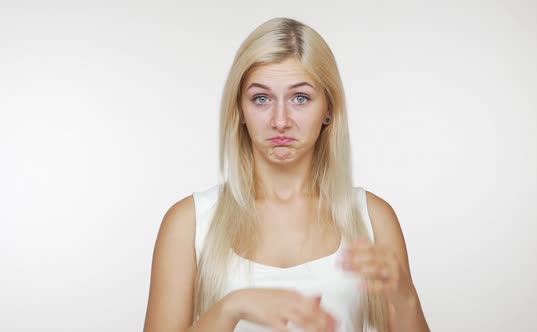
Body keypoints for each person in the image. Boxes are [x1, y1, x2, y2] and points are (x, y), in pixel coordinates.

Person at [143, 17, 430, 332]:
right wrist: (231, 307)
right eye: (261, 99)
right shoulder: (190, 222)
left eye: (300, 98)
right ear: (239, 109)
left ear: (329, 109)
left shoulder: (372, 217)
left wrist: (406, 298)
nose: (280, 121)